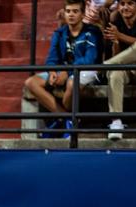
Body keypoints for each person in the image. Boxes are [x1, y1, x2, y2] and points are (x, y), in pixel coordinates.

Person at [24, 0, 102, 138]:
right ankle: (68, 118)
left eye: (75, 11)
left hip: (88, 70)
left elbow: (90, 59)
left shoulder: (92, 32)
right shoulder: (59, 33)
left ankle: (62, 120)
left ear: (83, 14)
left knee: (71, 84)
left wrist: (67, 72)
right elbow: (52, 57)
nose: (71, 15)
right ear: (64, 13)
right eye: (68, 11)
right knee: (31, 82)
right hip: (65, 71)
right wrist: (53, 71)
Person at [101, 0, 136, 139]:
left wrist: (120, 35)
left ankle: (103, 67)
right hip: (123, 68)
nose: (125, 7)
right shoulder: (116, 24)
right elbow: (116, 55)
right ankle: (116, 122)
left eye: (130, 3)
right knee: (114, 74)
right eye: (122, 3)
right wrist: (115, 42)